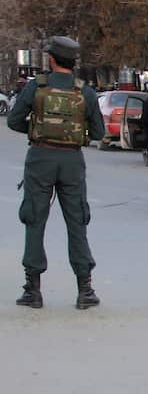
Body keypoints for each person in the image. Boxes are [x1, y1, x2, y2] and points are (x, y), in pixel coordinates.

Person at [7, 36, 105, 310]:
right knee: (77, 221)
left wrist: (40, 130)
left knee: (34, 219)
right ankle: (85, 290)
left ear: (51, 59)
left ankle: (33, 290)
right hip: (72, 161)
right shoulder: (84, 91)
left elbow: (14, 121)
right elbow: (98, 132)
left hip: (40, 158)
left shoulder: (36, 87)